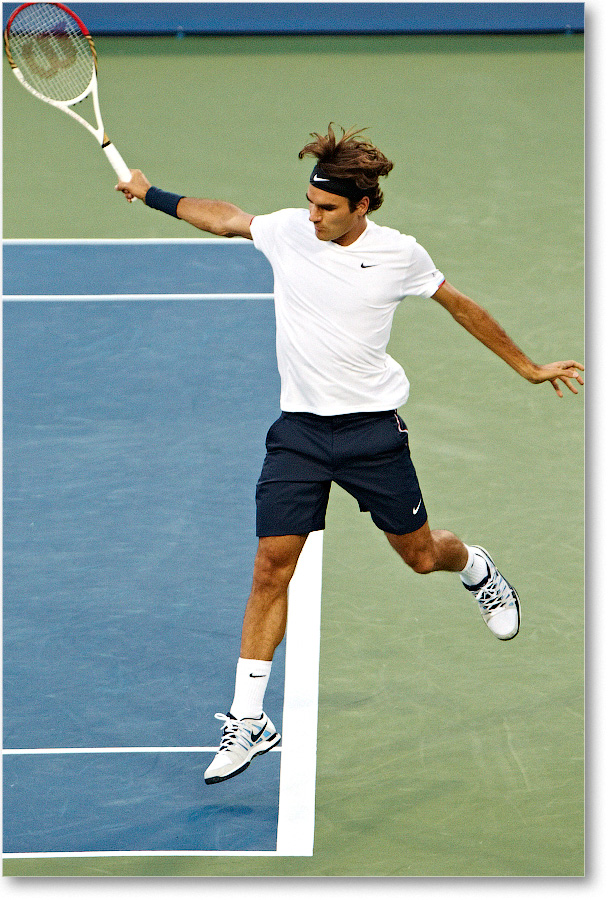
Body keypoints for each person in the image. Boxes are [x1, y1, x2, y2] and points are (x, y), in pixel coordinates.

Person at [116, 124, 584, 786]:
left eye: (326, 209)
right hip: (301, 435)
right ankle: (250, 720)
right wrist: (152, 193)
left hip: (371, 436)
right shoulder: (288, 232)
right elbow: (226, 220)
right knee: (269, 569)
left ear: (361, 206)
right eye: (309, 204)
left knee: (422, 557)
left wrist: (528, 367)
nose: (312, 217)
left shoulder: (400, 255)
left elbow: (462, 308)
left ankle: (476, 566)